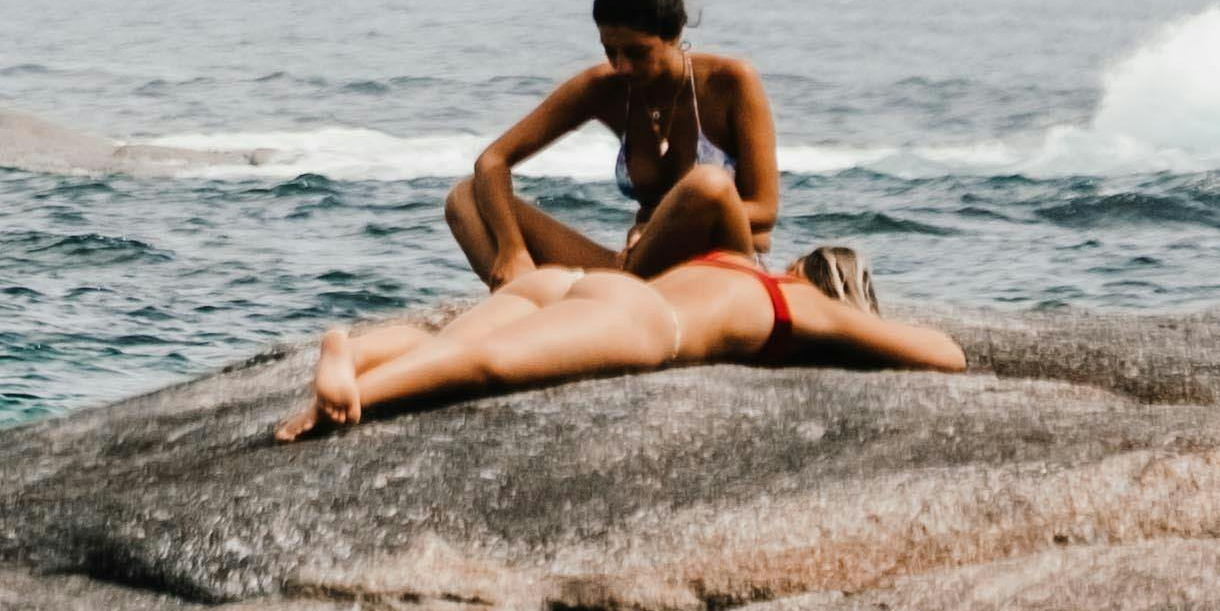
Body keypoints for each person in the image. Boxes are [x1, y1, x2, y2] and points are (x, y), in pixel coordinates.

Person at [276, 243, 969, 437]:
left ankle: (357, 348)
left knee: (446, 338)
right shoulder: (808, 305)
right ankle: (356, 392)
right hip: (645, 325)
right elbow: (948, 355)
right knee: (487, 365)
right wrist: (861, 327)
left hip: (575, 283)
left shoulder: (731, 262)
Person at [444, 0, 781, 290]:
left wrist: (659, 226)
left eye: (636, 53)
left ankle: (579, 306)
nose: (621, 66)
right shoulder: (603, 87)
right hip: (636, 271)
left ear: (674, 35)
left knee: (707, 186)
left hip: (715, 272)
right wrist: (512, 249)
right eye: (610, 50)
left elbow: (764, 210)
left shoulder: (732, 81)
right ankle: (524, 298)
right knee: (464, 199)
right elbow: (492, 161)